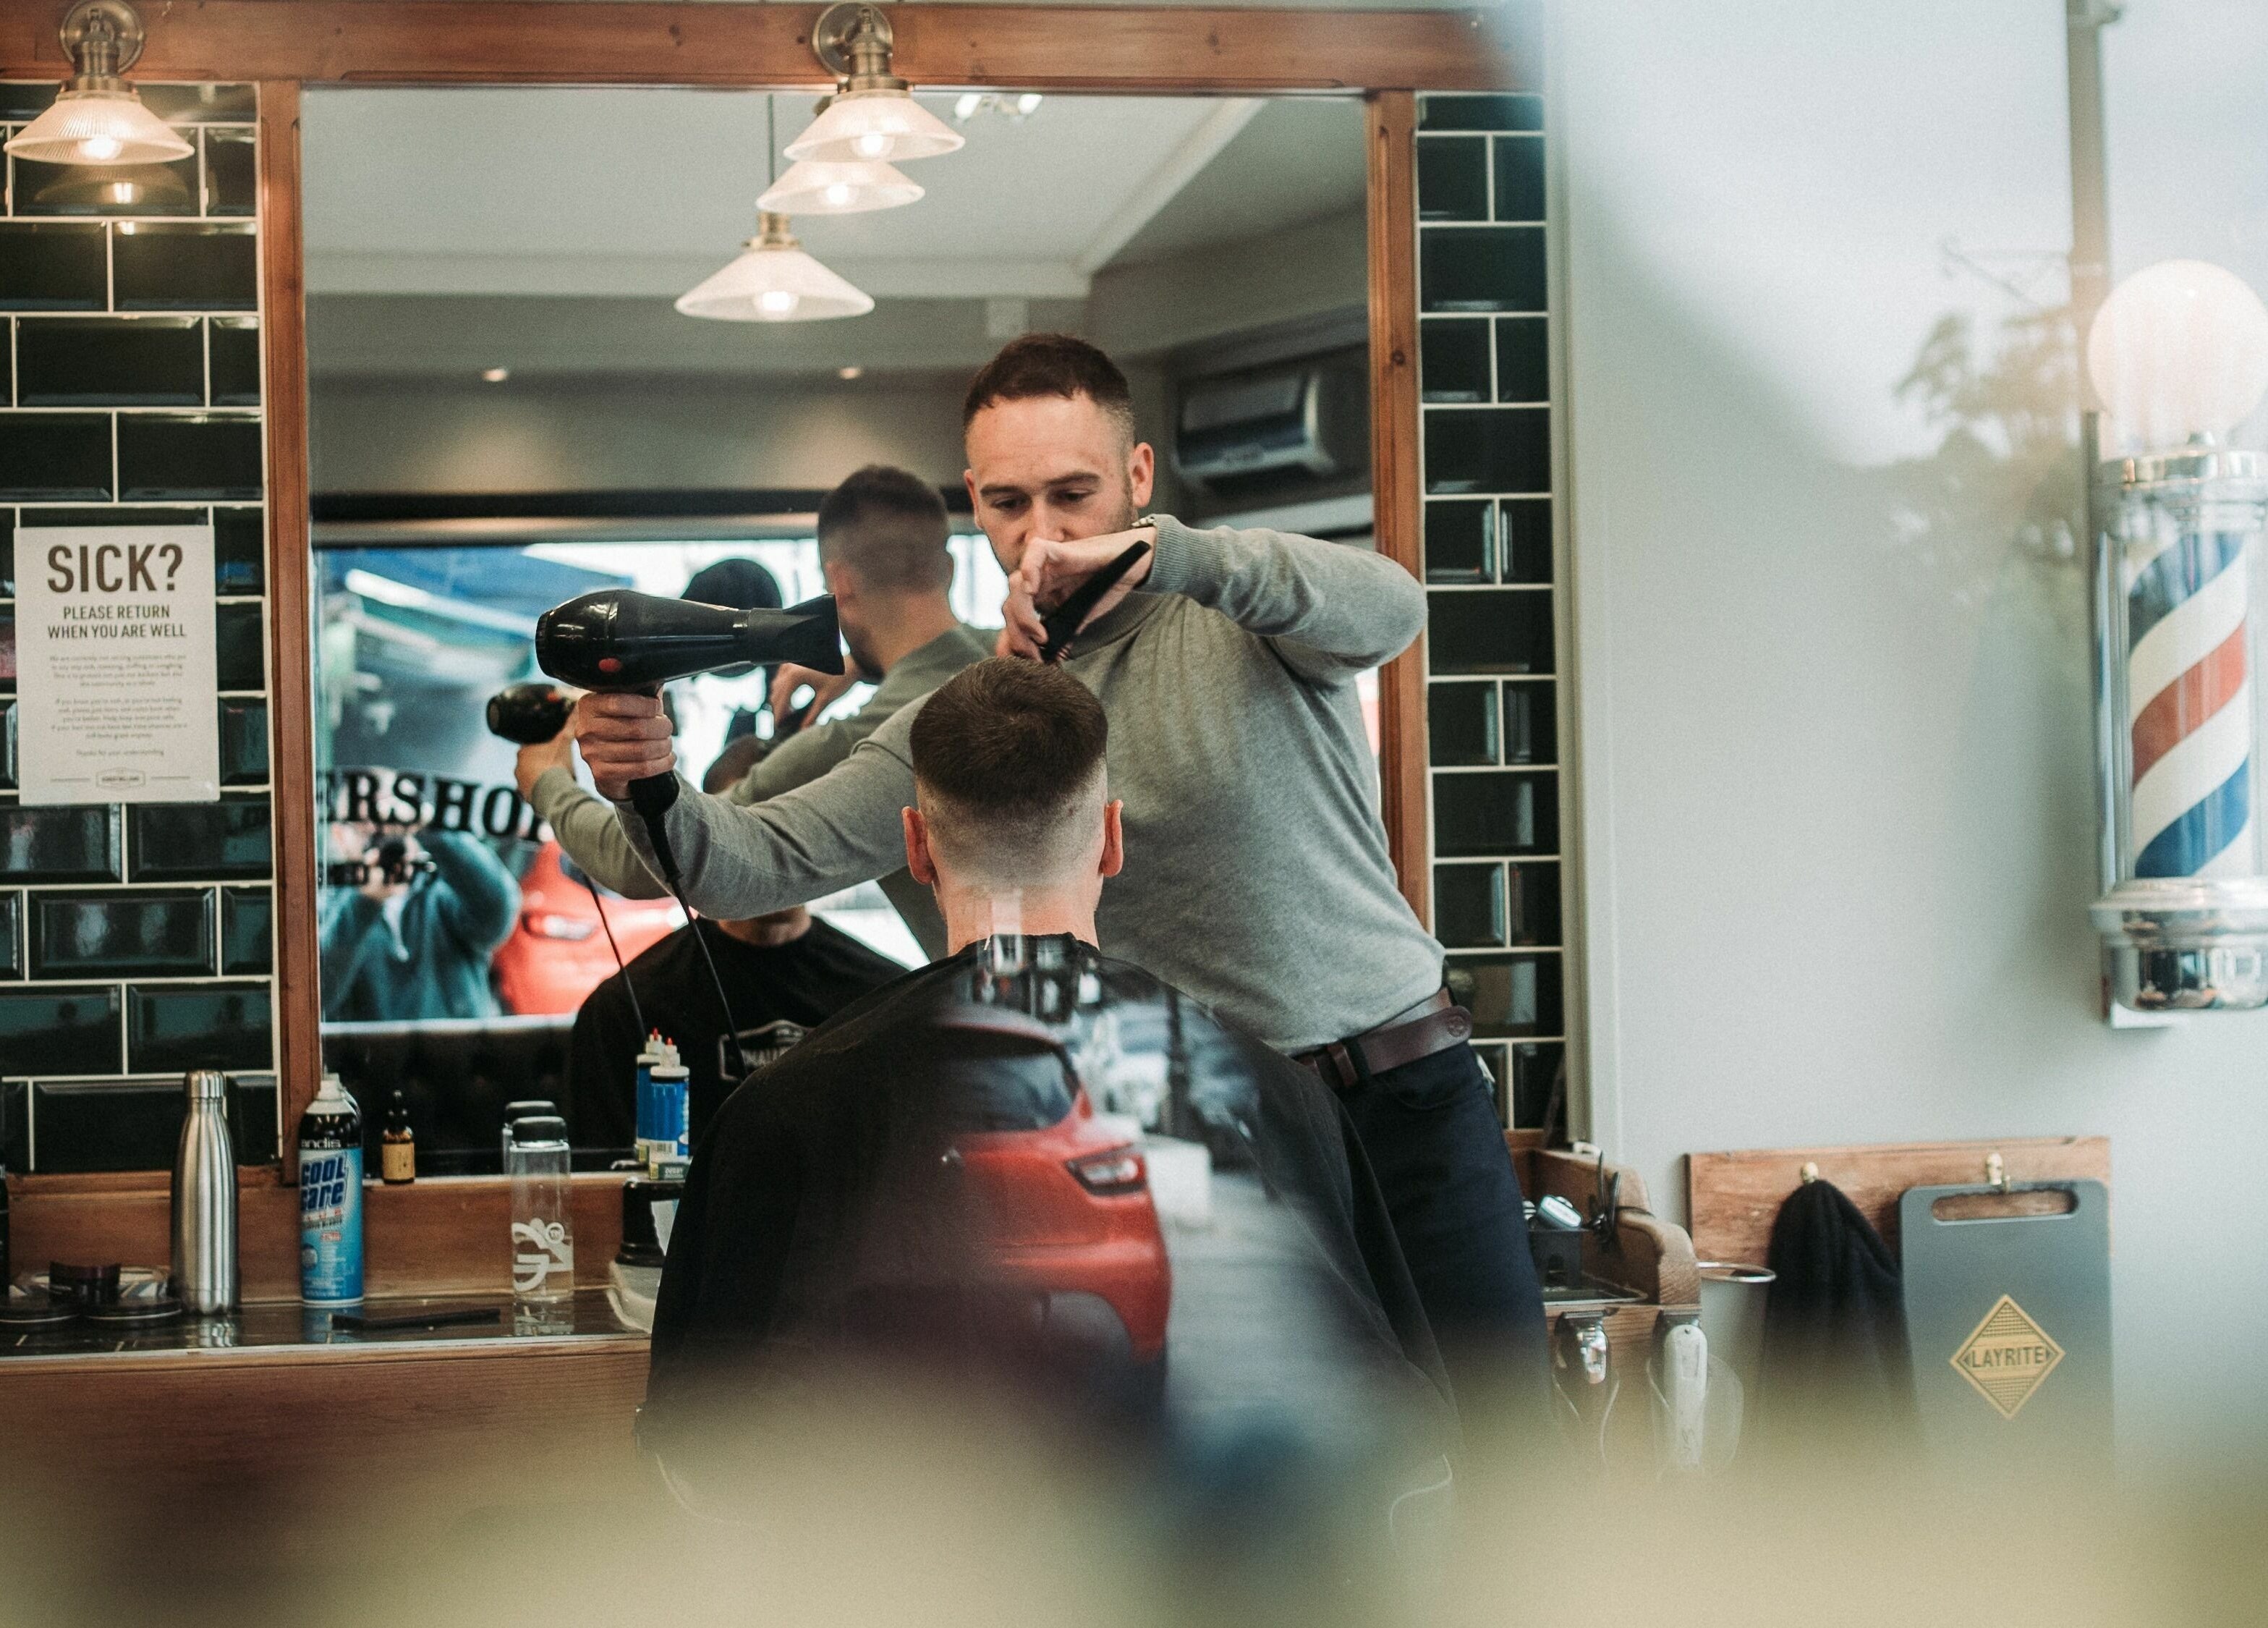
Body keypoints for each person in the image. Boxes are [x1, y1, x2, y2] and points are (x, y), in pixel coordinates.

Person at [574, 336, 1548, 1418]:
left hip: (1399, 1104)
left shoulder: (1245, 619)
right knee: (1256, 1510)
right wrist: (649, 776)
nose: (1040, 534)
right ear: (973, 508)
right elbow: (749, 862)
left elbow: (1394, 610)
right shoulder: (980, 723)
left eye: (1074, 493)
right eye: (1006, 503)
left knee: (1504, 1470)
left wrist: (1173, 557)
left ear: (1137, 478)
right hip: (1205, 1148)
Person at [643, 661, 1457, 1545]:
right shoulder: (1277, 1095)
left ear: (916, 848)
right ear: (1112, 839)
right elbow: (1396, 1450)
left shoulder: (781, 1109)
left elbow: (701, 1464)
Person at [520, 467, 992, 952]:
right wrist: (865, 665)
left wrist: (548, 784)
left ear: (839, 582)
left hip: (989, 1006)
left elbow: (642, 863)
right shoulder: (1020, 663)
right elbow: (952, 657)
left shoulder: (857, 742)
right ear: (949, 568)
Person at [564, 744, 904, 1150]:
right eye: (752, 836)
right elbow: (602, 1182)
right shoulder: (627, 1008)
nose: (773, 858)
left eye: (790, 835)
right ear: (707, 844)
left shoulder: (884, 999)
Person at [317, 824, 520, 1022]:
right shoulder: (325, 909)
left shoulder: (448, 892)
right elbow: (316, 997)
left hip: (459, 1055)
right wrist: (364, 903)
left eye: (392, 824)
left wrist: (431, 828)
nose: (382, 836)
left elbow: (498, 911)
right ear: (339, 835)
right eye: (365, 826)